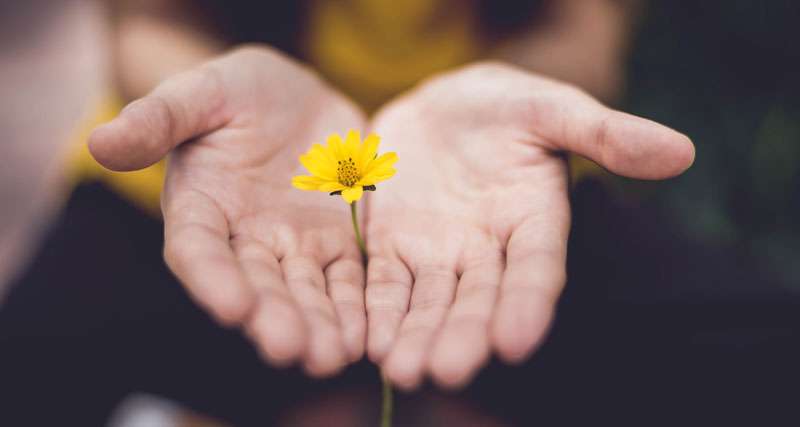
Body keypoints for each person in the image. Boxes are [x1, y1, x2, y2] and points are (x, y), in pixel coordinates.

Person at [87, 0, 693, 390]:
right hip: (223, 179)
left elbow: (583, 32)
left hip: (497, 184)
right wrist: (199, 95)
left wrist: (518, 87)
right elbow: (146, 21)